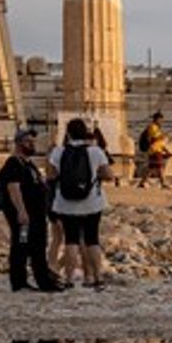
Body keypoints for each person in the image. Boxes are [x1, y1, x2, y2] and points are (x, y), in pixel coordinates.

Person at [48, 117, 117, 290]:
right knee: (92, 240)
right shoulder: (95, 151)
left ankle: (69, 279)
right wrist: (95, 176)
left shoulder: (58, 151)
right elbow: (109, 175)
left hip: (65, 203)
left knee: (71, 241)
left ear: (68, 133)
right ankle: (98, 277)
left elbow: (50, 176)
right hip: (92, 202)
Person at [0, 127, 62, 292]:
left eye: (33, 142)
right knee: (21, 246)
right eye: (28, 142)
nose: (32, 145)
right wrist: (21, 211)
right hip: (24, 215)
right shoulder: (13, 164)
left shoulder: (28, 164)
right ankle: (19, 281)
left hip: (36, 214)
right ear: (19, 143)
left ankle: (43, 280)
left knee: (38, 246)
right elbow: (13, 188)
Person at [136, 110, 167, 187]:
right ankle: (163, 183)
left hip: (158, 150)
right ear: (156, 119)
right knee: (160, 166)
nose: (161, 121)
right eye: (160, 119)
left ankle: (142, 182)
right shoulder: (152, 127)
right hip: (154, 150)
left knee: (151, 168)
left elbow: (159, 142)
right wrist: (162, 136)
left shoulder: (158, 128)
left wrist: (165, 150)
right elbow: (153, 139)